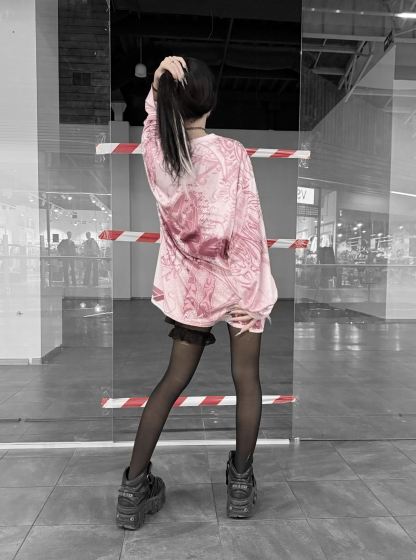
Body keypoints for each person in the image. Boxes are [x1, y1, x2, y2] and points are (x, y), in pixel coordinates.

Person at [116, 56, 278, 530]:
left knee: (172, 380)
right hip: (239, 286)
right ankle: (241, 486)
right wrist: (255, 291)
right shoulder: (231, 153)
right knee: (246, 378)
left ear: (171, 102)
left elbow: (152, 123)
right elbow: (248, 227)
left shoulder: (159, 156)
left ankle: (132, 489)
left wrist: (158, 85)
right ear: (211, 102)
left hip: (191, 291)